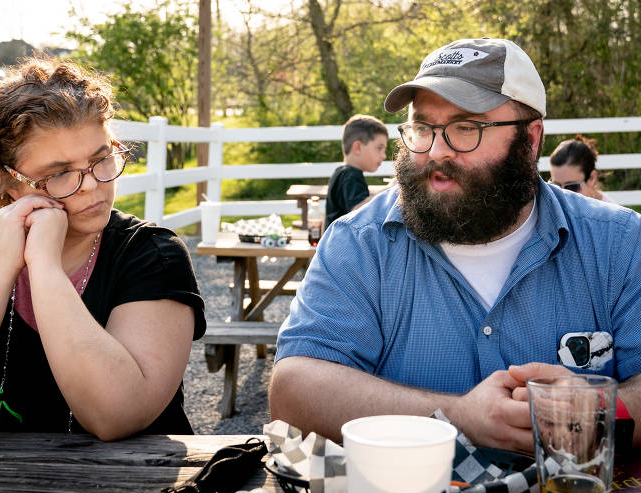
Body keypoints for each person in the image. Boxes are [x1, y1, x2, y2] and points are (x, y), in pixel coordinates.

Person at [269, 38, 641, 452]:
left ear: (531, 139)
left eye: (467, 127)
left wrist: (594, 414)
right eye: (423, 127)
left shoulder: (620, 242)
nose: (435, 150)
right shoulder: (359, 244)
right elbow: (293, 391)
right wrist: (455, 418)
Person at [0, 59, 206, 443]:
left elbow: (118, 415)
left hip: (132, 489)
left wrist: (43, 267)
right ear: (12, 183)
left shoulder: (151, 254)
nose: (92, 185)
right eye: (59, 174)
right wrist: (0, 271)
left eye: (101, 159)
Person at [324, 114, 389, 228]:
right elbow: (359, 210)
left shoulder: (341, 173)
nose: (384, 156)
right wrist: (388, 191)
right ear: (357, 147)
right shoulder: (350, 175)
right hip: (343, 243)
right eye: (379, 148)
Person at [550, 135, 614, 202]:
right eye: (555, 187)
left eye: (572, 187)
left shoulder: (609, 211)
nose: (562, 197)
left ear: (592, 178)